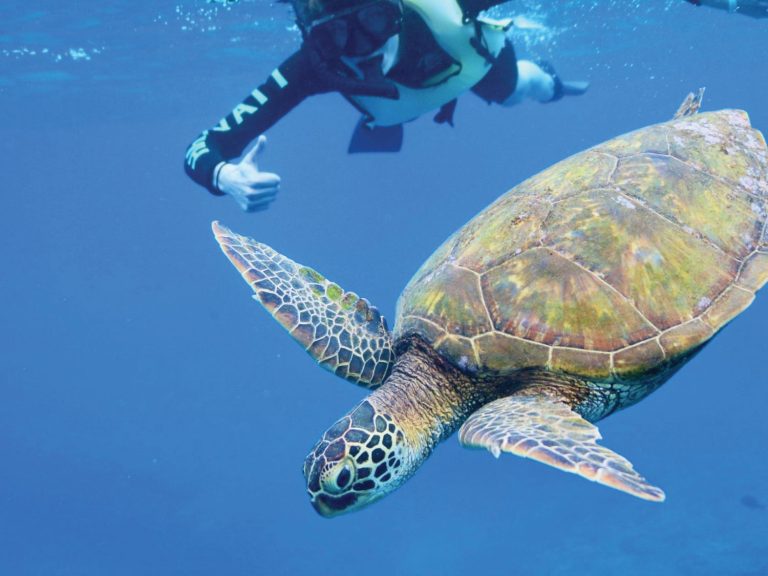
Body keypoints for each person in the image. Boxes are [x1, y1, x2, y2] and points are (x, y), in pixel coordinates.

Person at [184, 0, 589, 212]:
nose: (365, 50)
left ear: (394, 7)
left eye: (375, 22)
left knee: (521, 87)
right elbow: (204, 146)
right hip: (401, 104)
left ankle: (552, 84)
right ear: (314, 42)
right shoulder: (310, 68)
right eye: (335, 39)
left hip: (471, 63)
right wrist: (225, 176)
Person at [685, 0, 768, 17]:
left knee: (759, 12)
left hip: (734, 6)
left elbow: (696, 3)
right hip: (734, 5)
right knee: (759, 12)